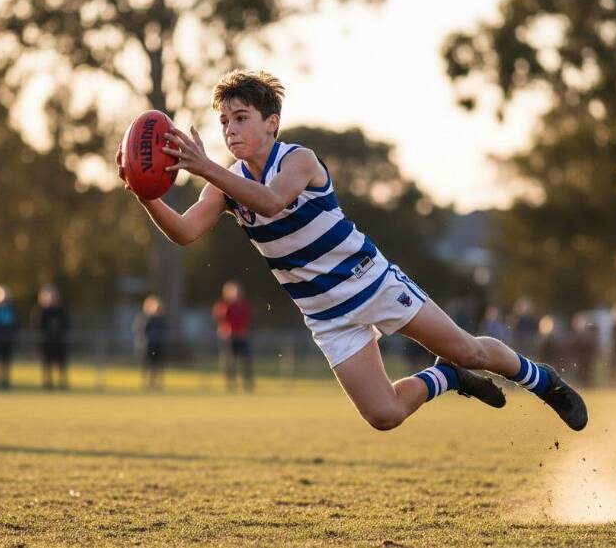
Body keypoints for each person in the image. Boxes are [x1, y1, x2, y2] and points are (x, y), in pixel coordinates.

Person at [116, 69, 587, 431]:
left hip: (371, 281)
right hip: (326, 315)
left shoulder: (297, 161)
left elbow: (274, 200)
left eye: (241, 119)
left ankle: (540, 379)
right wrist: (145, 193)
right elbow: (182, 233)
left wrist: (204, 168)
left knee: (469, 350)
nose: (230, 131)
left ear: (271, 124)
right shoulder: (223, 185)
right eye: (224, 122)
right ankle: (446, 379)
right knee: (384, 416)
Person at [212, 280, 254, 392]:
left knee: (246, 360)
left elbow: (247, 319)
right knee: (229, 361)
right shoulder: (223, 305)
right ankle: (230, 384)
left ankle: (247, 384)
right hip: (229, 337)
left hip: (241, 336)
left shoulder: (244, 305)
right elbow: (220, 318)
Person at [35, 284, 70, 390]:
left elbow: (66, 324)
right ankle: (48, 384)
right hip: (47, 342)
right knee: (47, 363)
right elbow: (37, 326)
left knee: (61, 363)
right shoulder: (42, 311)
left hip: (59, 342)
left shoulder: (61, 310)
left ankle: (63, 384)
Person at [133, 294, 167, 390]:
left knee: (158, 365)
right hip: (147, 345)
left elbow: (165, 330)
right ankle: (145, 384)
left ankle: (156, 384)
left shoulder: (161, 319)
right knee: (146, 365)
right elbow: (139, 330)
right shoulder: (145, 318)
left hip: (158, 344)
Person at [0, 285, 19, 389]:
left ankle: (5, 381)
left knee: (6, 361)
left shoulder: (11, 309)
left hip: (7, 340)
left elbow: (15, 323)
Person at [564, 313, 599, 387]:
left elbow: (593, 348)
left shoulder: (589, 335)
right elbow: (569, 349)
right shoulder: (572, 335)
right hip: (576, 360)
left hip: (586, 360)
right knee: (577, 375)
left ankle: (587, 386)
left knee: (587, 375)